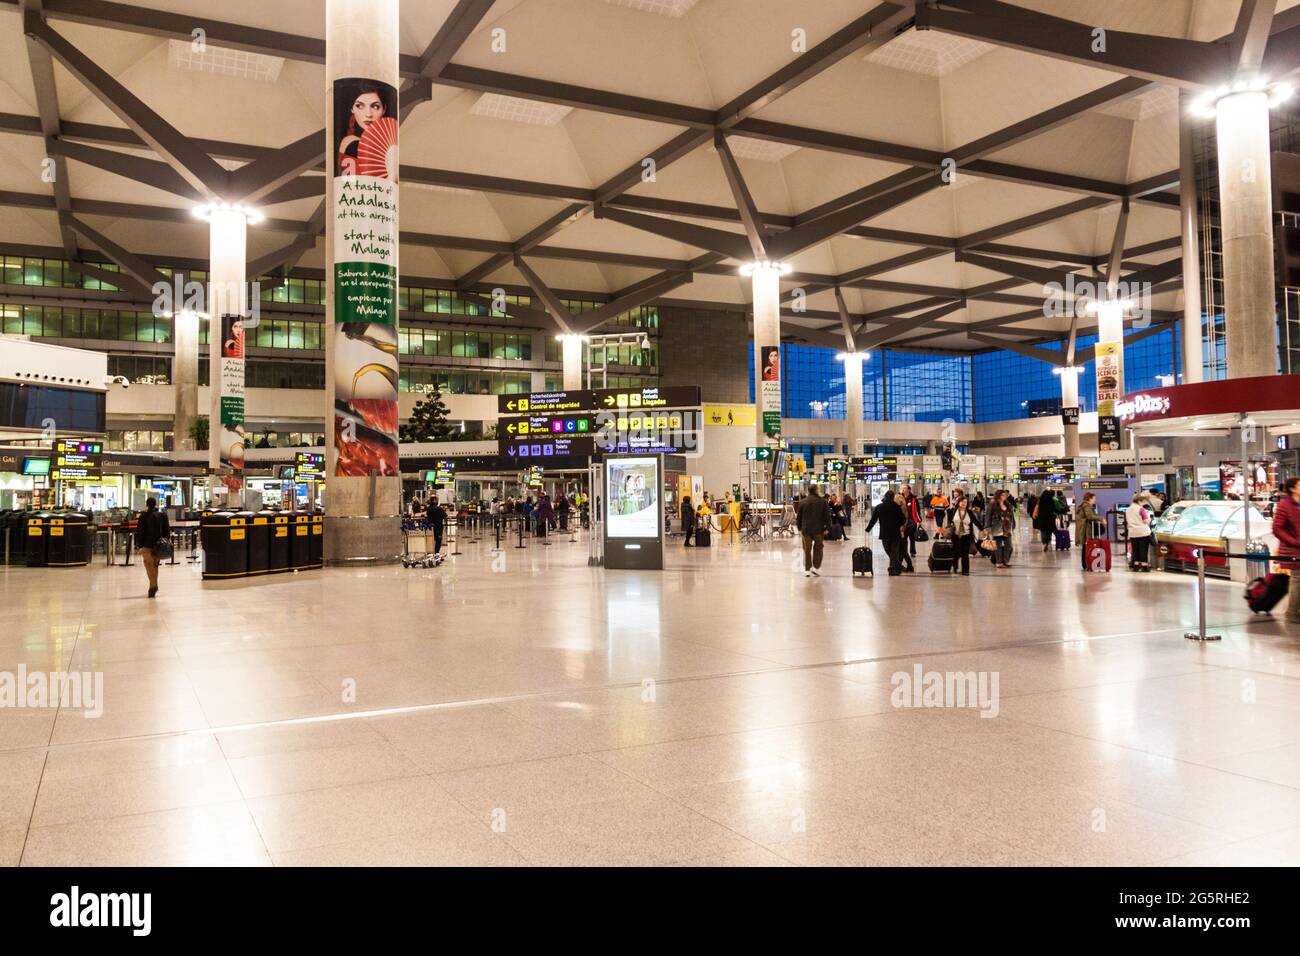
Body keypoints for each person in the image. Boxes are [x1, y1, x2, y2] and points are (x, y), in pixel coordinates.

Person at [1271, 477, 1300, 623]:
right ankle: (1292, 612)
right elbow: (1277, 528)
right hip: (1293, 550)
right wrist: (1293, 542)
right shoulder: (1285, 505)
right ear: (1293, 489)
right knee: (1296, 579)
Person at [134, 496, 170, 598]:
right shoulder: (163, 516)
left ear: (146, 504)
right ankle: (153, 586)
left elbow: (140, 531)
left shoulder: (143, 516)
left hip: (146, 545)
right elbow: (167, 531)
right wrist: (166, 542)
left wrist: (139, 544)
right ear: (156, 504)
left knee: (148, 565)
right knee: (155, 565)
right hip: (159, 545)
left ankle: (153, 585)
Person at [866, 490, 908, 576]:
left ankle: (893, 568)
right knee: (894, 552)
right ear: (893, 497)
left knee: (889, 551)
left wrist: (868, 529)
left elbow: (873, 520)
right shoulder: (896, 507)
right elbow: (903, 519)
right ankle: (896, 567)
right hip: (895, 534)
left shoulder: (879, 507)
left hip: (884, 534)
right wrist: (898, 524)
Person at [946, 496, 981, 576]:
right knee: (956, 552)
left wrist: (982, 529)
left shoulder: (969, 512)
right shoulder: (952, 511)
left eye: (965, 502)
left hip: (966, 535)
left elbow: (976, 522)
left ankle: (965, 571)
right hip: (955, 535)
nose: (963, 504)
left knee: (965, 553)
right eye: (962, 502)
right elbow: (949, 522)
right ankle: (955, 566)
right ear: (958, 503)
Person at [1125, 492, 1153, 571]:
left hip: (1132, 533)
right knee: (1143, 550)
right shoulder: (1141, 509)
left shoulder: (1128, 509)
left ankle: (1136, 566)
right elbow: (1146, 521)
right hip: (1142, 532)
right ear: (1139, 501)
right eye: (1143, 501)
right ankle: (1144, 566)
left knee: (1135, 550)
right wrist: (1149, 518)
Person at [987, 490, 1015, 568]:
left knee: (1008, 545)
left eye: (1005, 495)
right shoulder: (992, 504)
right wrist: (987, 527)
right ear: (998, 496)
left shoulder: (1008, 504)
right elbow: (988, 516)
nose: (1004, 496)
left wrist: (1013, 525)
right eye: (1002, 495)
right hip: (997, 527)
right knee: (998, 546)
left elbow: (1011, 516)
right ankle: (999, 562)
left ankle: (1006, 560)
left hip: (1007, 528)